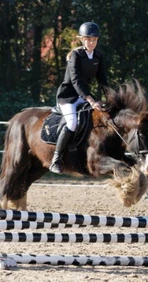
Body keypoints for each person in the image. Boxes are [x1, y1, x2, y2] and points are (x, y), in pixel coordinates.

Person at [49, 21, 109, 174]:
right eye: (88, 39)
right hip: (68, 96)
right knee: (72, 123)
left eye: (94, 39)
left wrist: (110, 96)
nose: (91, 42)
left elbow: (102, 80)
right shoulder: (76, 55)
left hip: (84, 95)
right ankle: (56, 158)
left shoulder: (98, 56)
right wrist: (90, 99)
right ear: (82, 39)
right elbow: (75, 81)